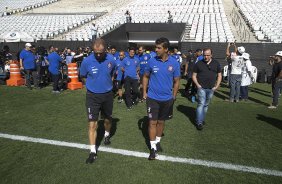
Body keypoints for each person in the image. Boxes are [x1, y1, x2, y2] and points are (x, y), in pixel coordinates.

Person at [143, 37, 180, 160]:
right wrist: (144, 91)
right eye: (156, 47)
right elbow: (146, 76)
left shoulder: (174, 63)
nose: (156, 49)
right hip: (152, 97)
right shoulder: (151, 61)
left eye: (159, 48)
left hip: (167, 99)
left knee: (161, 122)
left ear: (165, 49)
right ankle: (153, 148)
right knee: (152, 122)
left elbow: (177, 81)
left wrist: (173, 96)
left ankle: (157, 141)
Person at [80, 38, 116, 163]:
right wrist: (91, 86)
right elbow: (83, 76)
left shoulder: (111, 59)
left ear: (105, 49)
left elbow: (113, 73)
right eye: (96, 52)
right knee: (92, 124)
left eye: (101, 52)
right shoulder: (86, 61)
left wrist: (106, 84)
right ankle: (92, 151)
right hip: (92, 96)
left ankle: (106, 134)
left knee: (107, 120)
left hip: (107, 95)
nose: (99, 54)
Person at [192, 48, 222, 130]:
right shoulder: (199, 63)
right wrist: (198, 85)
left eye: (208, 55)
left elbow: (219, 75)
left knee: (206, 105)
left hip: (211, 88)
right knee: (201, 104)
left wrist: (217, 85)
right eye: (204, 55)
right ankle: (199, 122)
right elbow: (194, 76)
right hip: (201, 88)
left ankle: (201, 119)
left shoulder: (216, 63)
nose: (206, 57)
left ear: (211, 55)